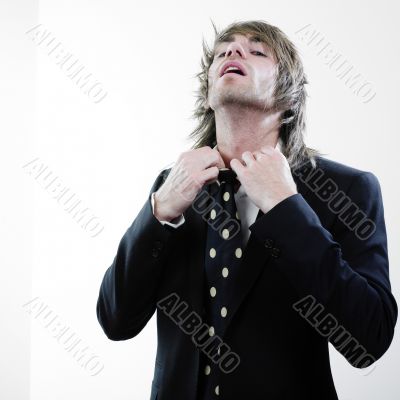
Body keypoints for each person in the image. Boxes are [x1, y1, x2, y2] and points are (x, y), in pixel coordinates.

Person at [96, 20, 397, 400]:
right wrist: (158, 214)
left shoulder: (348, 190)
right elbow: (115, 320)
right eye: (224, 50)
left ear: (289, 100)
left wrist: (287, 209)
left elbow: (367, 341)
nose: (233, 52)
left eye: (256, 51)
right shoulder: (172, 186)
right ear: (207, 95)